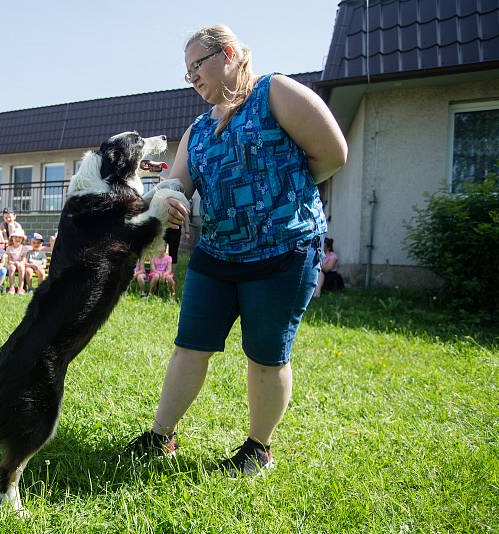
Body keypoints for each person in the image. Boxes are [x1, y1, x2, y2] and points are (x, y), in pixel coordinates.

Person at [126, 24, 347, 477]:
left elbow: (333, 154)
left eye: (197, 67)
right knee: (190, 345)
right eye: (186, 73)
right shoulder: (199, 130)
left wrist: (284, 195)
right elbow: (178, 184)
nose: (192, 79)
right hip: (219, 253)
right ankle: (160, 435)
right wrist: (168, 200)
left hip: (284, 250)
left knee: (266, 354)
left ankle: (257, 449)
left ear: (227, 53)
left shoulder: (276, 93)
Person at [5, 227, 28, 295]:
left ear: (22, 239)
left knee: (21, 267)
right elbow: (9, 260)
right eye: (16, 237)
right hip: (12, 264)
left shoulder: (24, 248)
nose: (17, 239)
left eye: (19, 237)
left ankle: (20, 288)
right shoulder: (9, 248)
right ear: (12, 238)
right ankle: (12, 287)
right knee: (12, 268)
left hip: (21, 264)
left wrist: (19, 263)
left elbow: (24, 260)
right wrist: (15, 263)